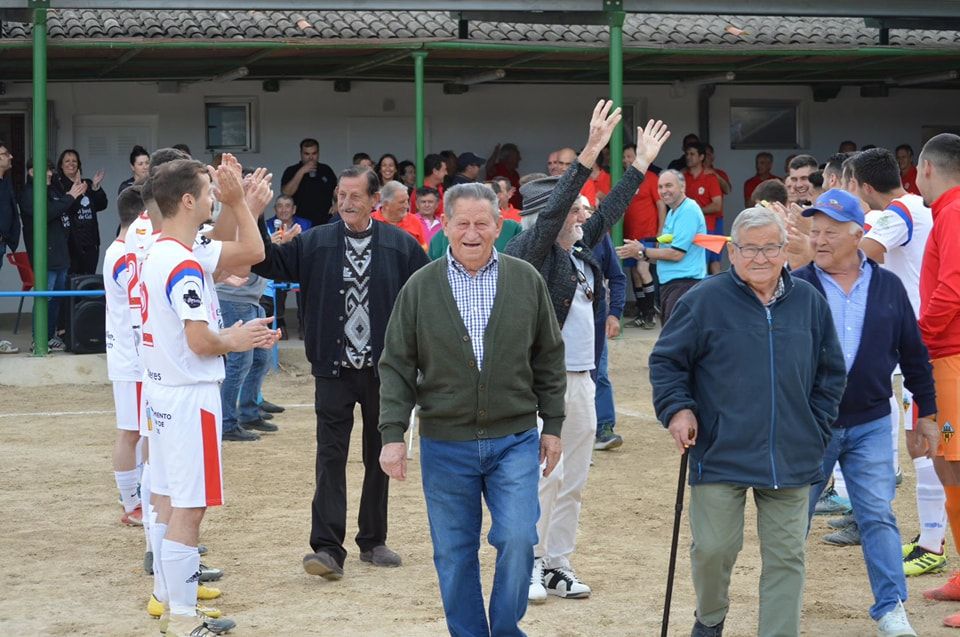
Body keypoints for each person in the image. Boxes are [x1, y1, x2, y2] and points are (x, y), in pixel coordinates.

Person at [378, 181, 566, 637]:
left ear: (500, 225)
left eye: (482, 223)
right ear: (444, 225)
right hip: (446, 444)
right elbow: (397, 365)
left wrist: (553, 424)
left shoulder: (526, 279)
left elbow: (548, 355)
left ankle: (505, 630)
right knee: (453, 552)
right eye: (461, 223)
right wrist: (392, 436)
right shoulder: (420, 287)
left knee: (518, 537)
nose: (472, 233)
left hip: (514, 439)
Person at [650, 206, 846, 637]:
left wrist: (816, 426)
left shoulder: (809, 302)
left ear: (785, 251)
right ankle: (710, 619)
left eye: (771, 248)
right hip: (721, 449)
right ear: (733, 252)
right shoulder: (703, 300)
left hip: (792, 453)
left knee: (787, 558)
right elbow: (667, 362)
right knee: (713, 549)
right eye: (750, 249)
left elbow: (831, 371)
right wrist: (678, 408)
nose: (761, 258)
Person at [506, 101, 670, 602]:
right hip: (541, 386)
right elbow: (559, 207)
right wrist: (591, 150)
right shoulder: (528, 254)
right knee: (542, 477)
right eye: (575, 209)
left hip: (582, 380)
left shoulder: (577, 249)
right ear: (548, 217)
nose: (584, 215)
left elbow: (611, 209)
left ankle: (557, 562)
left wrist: (641, 165)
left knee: (573, 478)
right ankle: (528, 563)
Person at [251, 165, 429, 581]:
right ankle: (328, 548)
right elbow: (266, 261)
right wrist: (254, 212)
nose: (346, 203)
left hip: (385, 372)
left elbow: (426, 296)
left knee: (378, 454)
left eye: (355, 196)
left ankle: (373, 540)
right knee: (330, 456)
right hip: (332, 369)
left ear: (374, 201)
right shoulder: (314, 242)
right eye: (341, 196)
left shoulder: (401, 246)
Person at [793, 189, 937, 637]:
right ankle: (782, 605)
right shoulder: (796, 286)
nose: (819, 240)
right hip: (811, 425)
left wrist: (927, 412)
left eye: (830, 232)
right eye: (815, 231)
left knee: (877, 514)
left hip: (871, 420)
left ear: (858, 235)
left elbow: (913, 353)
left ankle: (891, 609)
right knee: (792, 520)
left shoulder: (888, 287)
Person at [845, 148, 941, 574]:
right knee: (927, 444)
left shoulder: (897, 213)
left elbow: (861, 253)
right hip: (924, 340)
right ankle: (931, 537)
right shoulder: (920, 206)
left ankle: (933, 544)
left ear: (865, 187)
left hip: (922, 343)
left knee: (923, 445)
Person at [913, 133, 960, 628]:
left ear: (926, 168)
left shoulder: (953, 212)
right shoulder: (949, 211)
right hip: (945, 356)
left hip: (950, 357)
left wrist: (918, 338)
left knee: (956, 466)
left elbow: (953, 288)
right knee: (947, 465)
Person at [103, 186, 148, 527]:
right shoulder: (122, 255)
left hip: (132, 356)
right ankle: (132, 502)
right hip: (131, 359)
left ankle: (136, 497)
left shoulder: (121, 252)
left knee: (140, 432)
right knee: (132, 432)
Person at [618, 169, 706, 325]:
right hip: (671, 285)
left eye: (668, 185)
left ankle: (647, 314)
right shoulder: (673, 212)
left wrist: (643, 250)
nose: (664, 191)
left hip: (684, 285)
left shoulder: (688, 210)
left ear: (682, 187)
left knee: (675, 336)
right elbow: (664, 256)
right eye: (660, 187)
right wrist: (641, 255)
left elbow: (677, 254)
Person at [19, 158, 74, 352]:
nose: (50, 174)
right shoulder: (28, 193)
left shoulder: (52, 190)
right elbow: (47, 212)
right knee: (44, 298)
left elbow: (60, 208)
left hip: (60, 254)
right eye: (46, 170)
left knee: (56, 298)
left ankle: (49, 336)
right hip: (45, 256)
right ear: (32, 172)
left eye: (51, 170)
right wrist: (70, 197)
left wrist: (69, 195)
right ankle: (38, 339)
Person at [586, 198, 627, 451]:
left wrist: (615, 314)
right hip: (561, 320)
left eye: (586, 211)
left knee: (598, 373)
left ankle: (604, 427)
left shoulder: (601, 238)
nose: (582, 216)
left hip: (596, 318)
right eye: (576, 211)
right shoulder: (555, 238)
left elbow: (617, 277)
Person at [217, 272, 275, 442]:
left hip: (251, 299)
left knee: (261, 358)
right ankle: (226, 423)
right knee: (239, 362)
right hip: (234, 298)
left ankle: (249, 413)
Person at [621, 143, 664, 329]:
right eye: (624, 157)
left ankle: (650, 314)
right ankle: (641, 312)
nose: (626, 160)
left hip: (647, 234)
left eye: (629, 156)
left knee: (642, 269)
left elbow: (661, 206)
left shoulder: (651, 178)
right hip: (630, 235)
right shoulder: (625, 180)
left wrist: (660, 233)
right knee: (635, 274)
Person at [53, 148, 107, 275]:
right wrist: (74, 194)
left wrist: (95, 187)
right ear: (61, 165)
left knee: (88, 279)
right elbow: (63, 209)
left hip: (91, 242)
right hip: (71, 243)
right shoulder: (58, 186)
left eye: (74, 161)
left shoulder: (87, 183)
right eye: (67, 161)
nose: (71, 164)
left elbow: (101, 205)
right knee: (72, 280)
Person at [683, 142, 724, 274]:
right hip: (687, 229)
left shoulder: (710, 178)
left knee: (704, 266)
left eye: (692, 154)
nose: (688, 157)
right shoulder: (682, 178)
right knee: (689, 267)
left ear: (701, 157)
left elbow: (717, 205)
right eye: (687, 154)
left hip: (707, 228)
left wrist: (696, 211)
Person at [280, 138, 337, 226]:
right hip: (299, 223)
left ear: (318, 153)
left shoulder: (326, 170)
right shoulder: (291, 170)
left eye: (314, 153)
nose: (311, 158)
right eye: (307, 154)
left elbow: (337, 191)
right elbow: (286, 193)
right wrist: (301, 171)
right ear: (301, 154)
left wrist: (337, 204)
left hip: (324, 221)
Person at [374, 180, 427, 249]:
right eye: (402, 202)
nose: (407, 206)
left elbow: (423, 250)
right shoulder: (370, 221)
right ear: (386, 204)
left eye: (407, 201)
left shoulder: (414, 221)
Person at [487, 142, 523, 208]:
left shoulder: (515, 174)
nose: (519, 158)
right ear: (506, 157)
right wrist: (496, 152)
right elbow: (488, 167)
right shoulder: (497, 169)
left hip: (516, 210)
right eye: (516, 156)